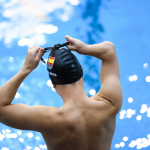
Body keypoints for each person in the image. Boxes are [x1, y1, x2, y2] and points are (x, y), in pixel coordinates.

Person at [0, 35, 123, 150]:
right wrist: (84, 48)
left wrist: (26, 69)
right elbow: (109, 50)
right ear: (81, 72)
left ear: (54, 85)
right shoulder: (110, 103)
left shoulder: (50, 120)